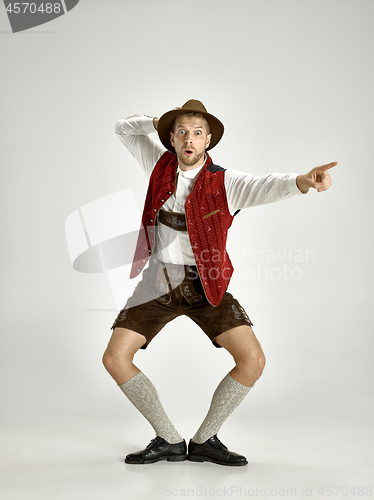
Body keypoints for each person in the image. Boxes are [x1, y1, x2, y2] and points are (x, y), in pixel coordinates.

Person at [102, 100, 336, 466]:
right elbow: (122, 128)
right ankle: (168, 439)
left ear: (208, 140)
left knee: (253, 361)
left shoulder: (227, 182)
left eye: (197, 132)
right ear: (171, 139)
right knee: (115, 358)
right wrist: (157, 120)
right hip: (157, 282)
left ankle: (206, 439)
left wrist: (305, 180)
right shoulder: (157, 164)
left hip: (204, 284)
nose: (189, 139)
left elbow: (269, 185)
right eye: (181, 132)